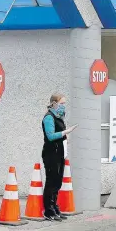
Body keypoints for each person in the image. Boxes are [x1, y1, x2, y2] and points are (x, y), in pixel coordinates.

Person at [42, 93, 78, 221]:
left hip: (60, 153)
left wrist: (65, 138)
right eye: (61, 103)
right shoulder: (48, 117)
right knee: (51, 181)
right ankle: (48, 210)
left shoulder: (59, 117)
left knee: (57, 181)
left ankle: (54, 206)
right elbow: (51, 136)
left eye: (64, 103)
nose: (63, 106)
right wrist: (65, 132)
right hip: (51, 154)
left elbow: (59, 135)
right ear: (54, 103)